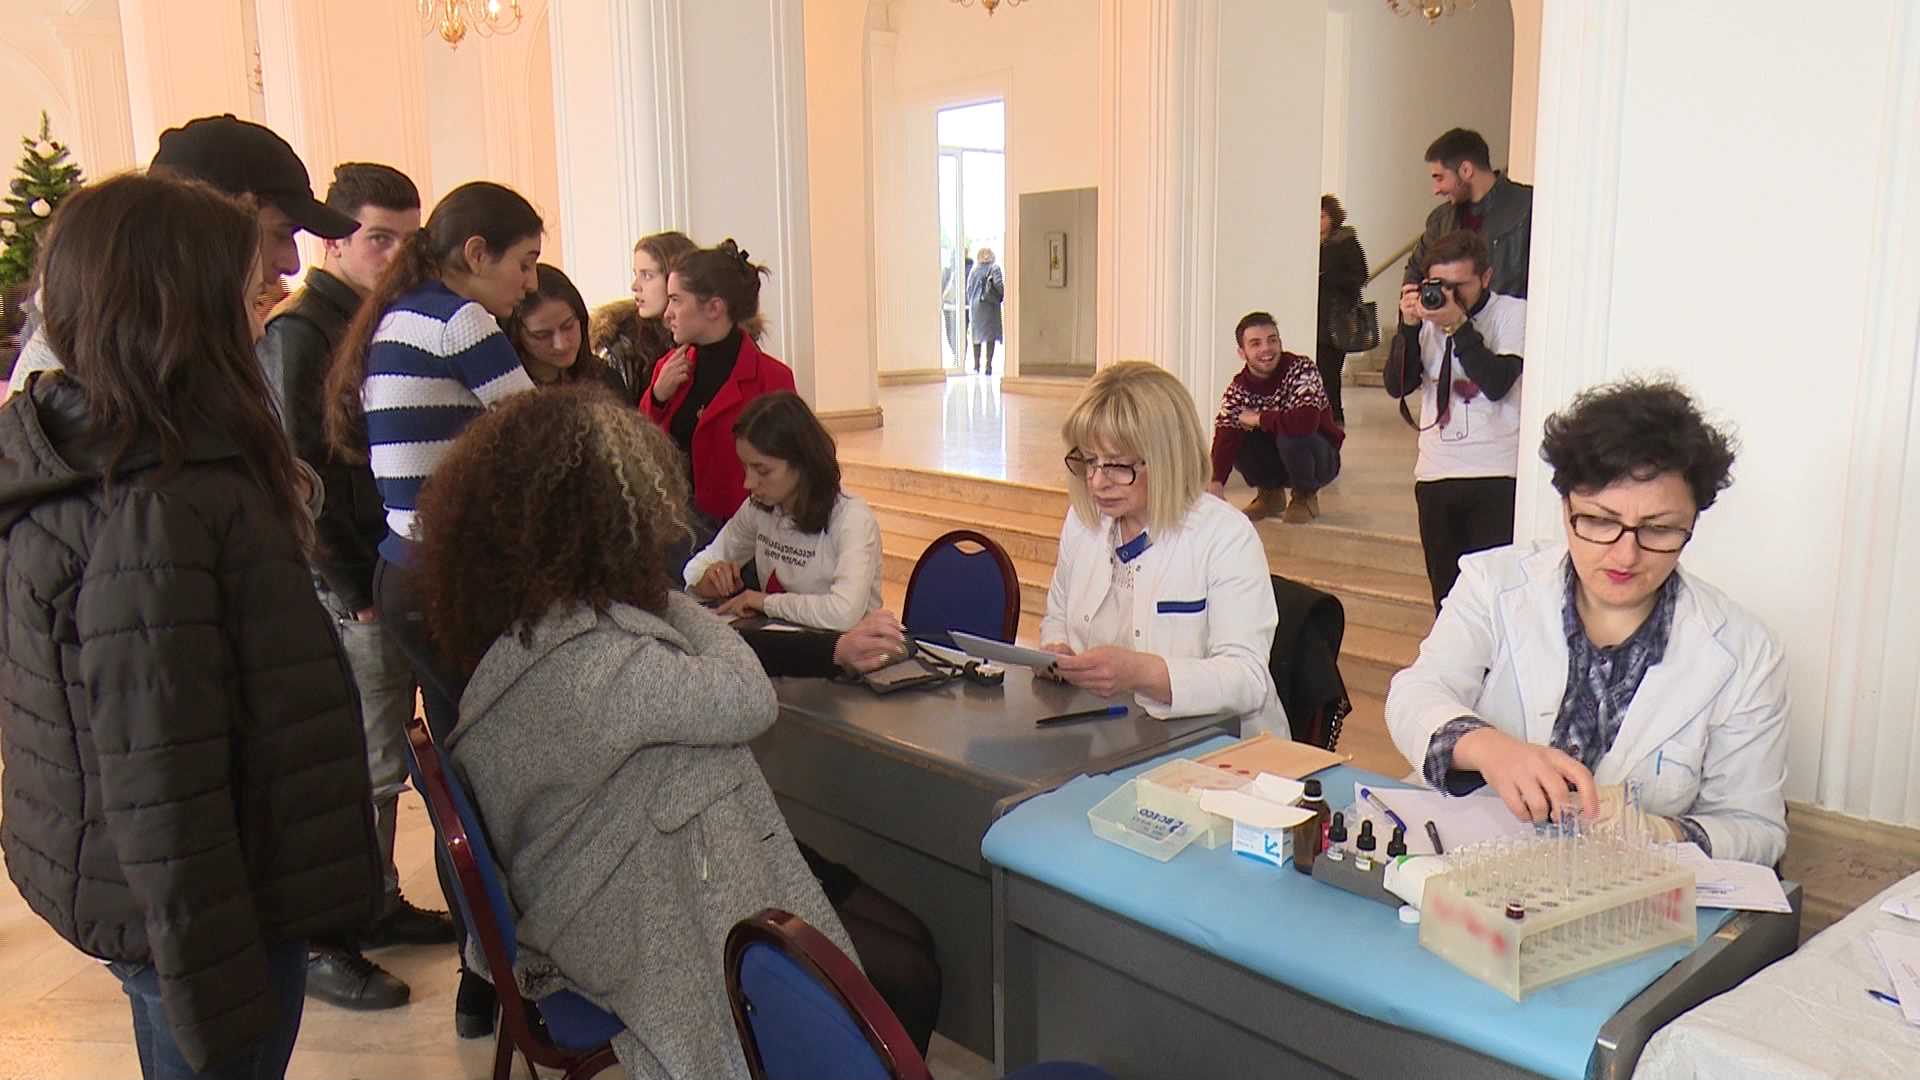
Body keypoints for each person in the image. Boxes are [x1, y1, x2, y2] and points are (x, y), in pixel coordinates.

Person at [0, 173, 379, 1078]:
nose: (269, 303)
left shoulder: (116, 453)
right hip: (204, 917)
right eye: (246, 288)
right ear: (183, 311)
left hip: (153, 894)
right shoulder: (158, 501)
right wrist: (218, 998)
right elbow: (162, 782)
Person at [416, 385, 853, 1080]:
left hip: (572, 896)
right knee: (893, 966)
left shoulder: (527, 632)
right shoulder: (599, 664)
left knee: (850, 909)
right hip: (612, 925)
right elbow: (747, 697)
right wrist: (669, 599)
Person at [1386, 379, 1788, 867]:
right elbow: (1414, 695)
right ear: (1566, 508)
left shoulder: (1744, 652)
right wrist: (1490, 749)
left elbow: (1757, 830)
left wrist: (1659, 831)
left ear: (1691, 525)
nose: (1626, 554)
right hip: (1466, 862)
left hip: (1619, 891)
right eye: (1600, 521)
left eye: (1658, 529)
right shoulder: (1494, 584)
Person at [323, 179, 543, 1039]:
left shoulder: (397, 315)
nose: (530, 282)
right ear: (477, 254)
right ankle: (505, 971)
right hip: (452, 583)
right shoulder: (461, 321)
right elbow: (548, 444)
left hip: (406, 574)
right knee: (495, 780)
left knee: (459, 778)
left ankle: (481, 973)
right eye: (524, 263)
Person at [257, 162, 457, 1012]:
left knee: (392, 754)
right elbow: (303, 470)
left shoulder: (381, 318)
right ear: (332, 242)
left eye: (409, 239)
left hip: (391, 563)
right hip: (354, 579)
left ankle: (376, 903)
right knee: (366, 766)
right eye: (379, 237)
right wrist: (349, 582)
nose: (396, 254)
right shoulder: (302, 331)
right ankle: (329, 938)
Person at [6, 112, 360, 398]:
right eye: (282, 233)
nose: (292, 262)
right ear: (207, 231)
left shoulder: (165, 346)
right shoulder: (87, 374)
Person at [1041, 361, 1289, 736]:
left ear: (1167, 459)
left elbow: (1247, 678)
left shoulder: (1225, 535)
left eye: (1117, 465)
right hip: (1114, 732)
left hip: (1223, 746)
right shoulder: (1083, 521)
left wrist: (1141, 673)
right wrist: (1056, 648)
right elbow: (1057, 615)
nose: (1097, 482)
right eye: (1089, 461)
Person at [1384, 229, 1527, 611]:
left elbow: (1496, 383)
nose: (1448, 296)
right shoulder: (1426, 317)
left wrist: (1458, 325)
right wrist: (1408, 327)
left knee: (1495, 598)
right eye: (1439, 285)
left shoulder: (1513, 313)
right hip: (1435, 475)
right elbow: (1398, 386)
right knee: (1447, 600)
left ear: (1486, 277)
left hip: (1497, 475)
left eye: (1459, 285)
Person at [686, 391, 883, 631]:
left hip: (851, 648)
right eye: (745, 467)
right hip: (784, 643)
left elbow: (844, 613)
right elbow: (696, 568)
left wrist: (764, 602)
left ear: (802, 462)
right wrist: (705, 581)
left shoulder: (851, 518)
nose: (748, 483)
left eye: (763, 471)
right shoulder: (759, 508)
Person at [643, 239, 797, 529]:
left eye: (676, 300)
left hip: (745, 536)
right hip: (674, 532)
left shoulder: (773, 378)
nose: (667, 313)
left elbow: (790, 472)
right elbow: (641, 453)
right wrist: (657, 398)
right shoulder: (667, 369)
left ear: (714, 307)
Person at [1206, 312, 1344, 526]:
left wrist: (1259, 418)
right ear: (1242, 353)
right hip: (1279, 458)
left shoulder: (1301, 369)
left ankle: (1305, 496)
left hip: (1319, 458)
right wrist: (1216, 482)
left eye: (1272, 340)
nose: (1266, 349)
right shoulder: (1239, 388)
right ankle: (1270, 494)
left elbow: (1305, 423)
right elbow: (1225, 436)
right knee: (1236, 433)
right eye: (1255, 343)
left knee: (1292, 433)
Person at [1402, 127, 1534, 299]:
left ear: (1466, 170)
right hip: (1451, 318)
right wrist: (1412, 305)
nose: (1436, 190)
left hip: (1510, 316)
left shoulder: (1530, 206)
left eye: (1440, 178)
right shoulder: (1440, 220)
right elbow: (1414, 271)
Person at [594, 230, 700, 407]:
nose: (635, 286)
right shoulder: (622, 346)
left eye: (647, 275)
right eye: (636, 274)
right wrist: (657, 396)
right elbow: (619, 420)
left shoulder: (706, 335)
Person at [505, 263, 619, 390]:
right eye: (542, 335)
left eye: (568, 326)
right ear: (517, 335)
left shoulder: (603, 378)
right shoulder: (505, 389)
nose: (561, 345)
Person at [1317, 194, 1368, 424]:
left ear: (1332, 217)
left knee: (1330, 372)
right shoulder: (1308, 244)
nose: (1318, 222)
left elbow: (1360, 276)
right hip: (1314, 318)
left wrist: (1326, 278)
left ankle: (1334, 417)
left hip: (1337, 319)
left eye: (1322, 216)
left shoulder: (1345, 242)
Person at [965, 246, 1004, 375]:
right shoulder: (994, 268)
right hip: (990, 306)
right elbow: (999, 285)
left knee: (976, 336)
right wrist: (1002, 295)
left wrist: (973, 301)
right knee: (990, 336)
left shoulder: (974, 270)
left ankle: (976, 365)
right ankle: (988, 365)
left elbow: (969, 289)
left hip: (976, 308)